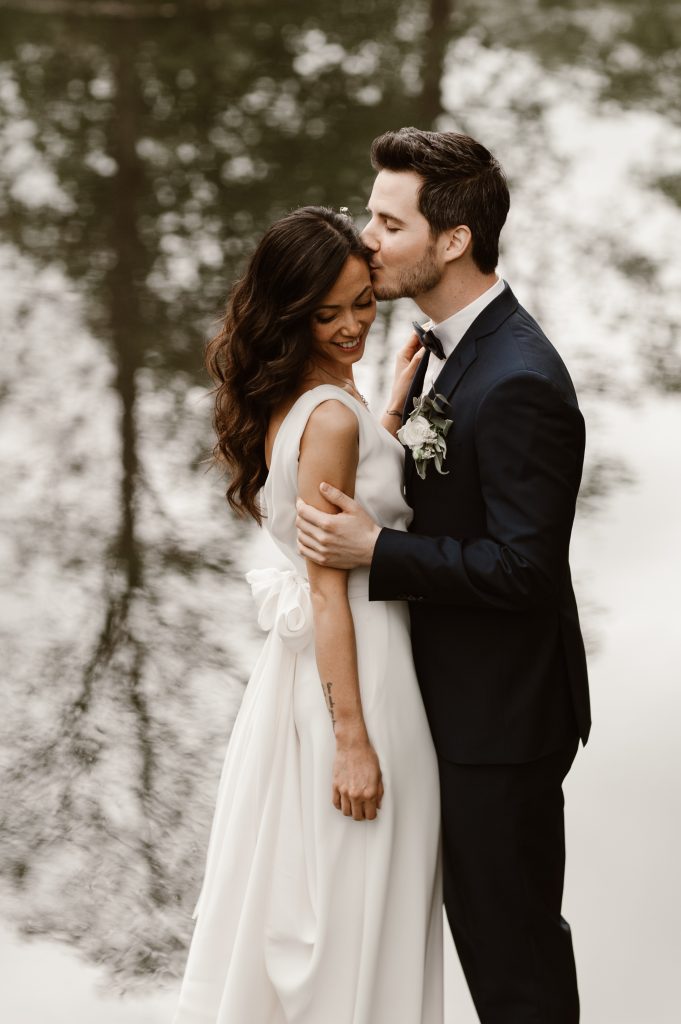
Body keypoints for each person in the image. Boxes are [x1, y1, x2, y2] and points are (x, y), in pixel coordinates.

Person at [296, 128, 591, 1023]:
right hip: (450, 701)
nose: (366, 240)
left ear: (452, 240)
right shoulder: (451, 346)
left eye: (388, 223)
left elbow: (525, 571)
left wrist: (375, 554)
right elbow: (450, 491)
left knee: (512, 963)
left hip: (499, 723)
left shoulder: (520, 381)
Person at [172, 206, 443, 1024]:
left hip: (313, 670)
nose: (350, 326)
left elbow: (352, 474)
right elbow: (327, 590)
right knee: (356, 893)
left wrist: (389, 409)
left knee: (322, 895)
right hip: (359, 664)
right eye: (325, 314)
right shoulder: (327, 413)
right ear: (288, 313)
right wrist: (353, 744)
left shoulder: (312, 395)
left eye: (362, 301)